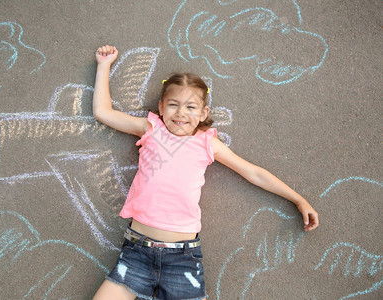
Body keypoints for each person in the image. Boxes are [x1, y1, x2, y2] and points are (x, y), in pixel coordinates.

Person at [92, 45, 319, 300]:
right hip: (138, 250)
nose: (181, 113)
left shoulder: (206, 143)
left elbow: (254, 173)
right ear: (161, 107)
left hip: (182, 257)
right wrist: (104, 66)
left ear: (203, 113)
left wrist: (298, 199)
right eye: (173, 105)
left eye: (191, 107)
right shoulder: (150, 129)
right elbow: (103, 112)